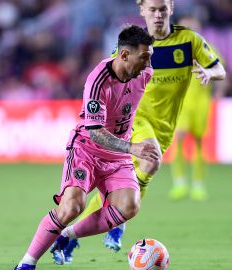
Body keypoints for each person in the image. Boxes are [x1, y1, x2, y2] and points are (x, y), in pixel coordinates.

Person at [53, 0, 226, 262]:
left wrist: (209, 73)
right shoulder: (136, 47)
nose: (158, 15)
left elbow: (219, 68)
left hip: (164, 125)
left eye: (163, 9)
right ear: (142, 10)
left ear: (171, 9)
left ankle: (70, 235)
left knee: (130, 182)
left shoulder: (189, 40)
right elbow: (110, 73)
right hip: (135, 119)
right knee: (150, 160)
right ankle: (118, 224)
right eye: (153, 10)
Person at [13, 25, 157, 270]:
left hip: (117, 157)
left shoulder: (145, 73)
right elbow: (95, 132)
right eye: (144, 57)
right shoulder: (97, 80)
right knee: (71, 207)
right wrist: (131, 147)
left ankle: (67, 235)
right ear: (124, 55)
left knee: (129, 205)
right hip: (87, 151)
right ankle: (27, 264)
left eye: (150, 57)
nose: (147, 64)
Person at [168, 15, 226, 202]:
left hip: (202, 102)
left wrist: (219, 92)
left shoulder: (206, 49)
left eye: (193, 26)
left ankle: (198, 185)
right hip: (182, 102)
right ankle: (179, 183)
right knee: (180, 138)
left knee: (200, 142)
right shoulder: (173, 50)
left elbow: (221, 72)